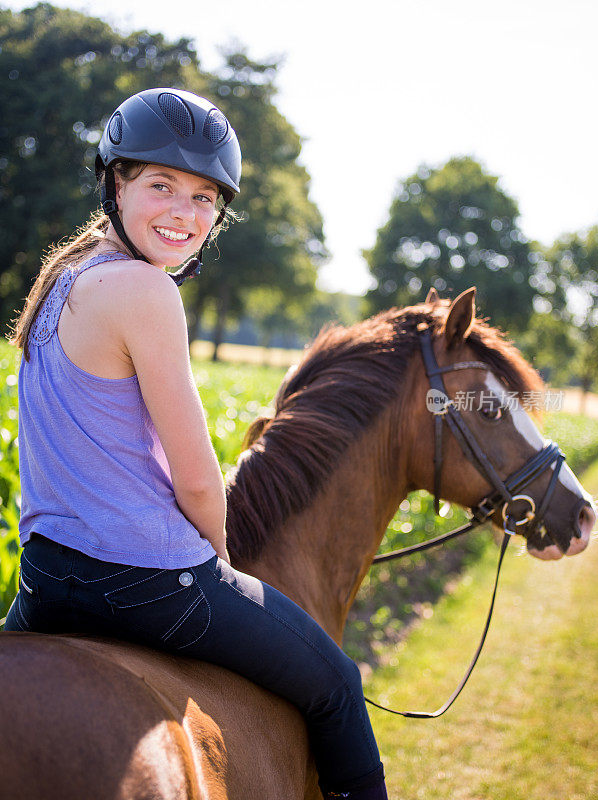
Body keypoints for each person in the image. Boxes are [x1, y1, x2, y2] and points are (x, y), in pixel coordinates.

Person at [4, 88, 388, 800]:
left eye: (205, 198)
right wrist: (217, 563)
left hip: (48, 579)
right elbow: (199, 479)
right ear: (115, 183)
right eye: (161, 186)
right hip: (149, 580)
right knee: (336, 683)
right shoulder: (146, 291)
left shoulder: (60, 276)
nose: (184, 214)